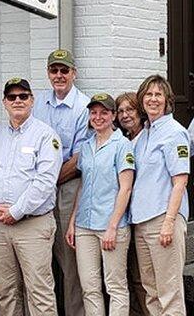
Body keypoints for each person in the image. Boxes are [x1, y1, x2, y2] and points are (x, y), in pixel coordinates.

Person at [0, 78, 62, 316]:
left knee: (39, 291)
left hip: (32, 225)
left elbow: (45, 182)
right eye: (12, 97)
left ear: (32, 100)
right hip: (0, 226)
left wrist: (16, 211)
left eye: (23, 96)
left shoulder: (46, 135)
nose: (17, 101)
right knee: (6, 291)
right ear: (4, 102)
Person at [66, 93, 134, 316]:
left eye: (104, 112)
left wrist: (113, 226)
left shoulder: (122, 145)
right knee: (90, 287)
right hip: (85, 226)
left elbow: (125, 187)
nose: (98, 117)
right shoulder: (86, 147)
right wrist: (73, 222)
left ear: (113, 116)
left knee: (115, 286)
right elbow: (83, 186)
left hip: (111, 226)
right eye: (94, 112)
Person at [33, 49, 89, 316]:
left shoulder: (83, 107)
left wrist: (45, 182)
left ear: (73, 73)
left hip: (66, 189)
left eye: (64, 70)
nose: (59, 75)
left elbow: (79, 158)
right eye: (54, 70)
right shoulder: (39, 102)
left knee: (70, 262)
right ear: (48, 73)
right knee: (41, 260)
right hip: (37, 192)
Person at [131, 75, 190, 315]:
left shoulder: (174, 132)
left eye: (158, 95)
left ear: (167, 101)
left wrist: (168, 223)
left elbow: (180, 181)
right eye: (148, 94)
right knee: (151, 290)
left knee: (170, 292)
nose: (153, 99)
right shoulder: (143, 134)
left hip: (163, 220)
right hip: (142, 221)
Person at [115, 92, 149, 316]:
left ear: (139, 112)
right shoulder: (122, 141)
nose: (125, 115)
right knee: (129, 274)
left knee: (143, 277)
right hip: (126, 216)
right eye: (121, 111)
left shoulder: (148, 137)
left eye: (130, 110)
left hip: (145, 215)